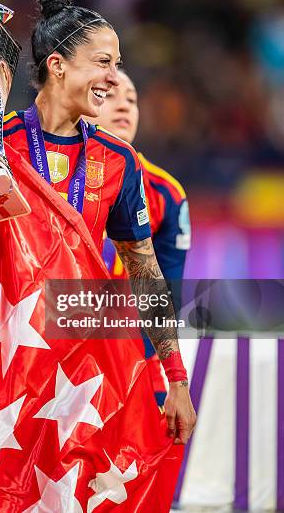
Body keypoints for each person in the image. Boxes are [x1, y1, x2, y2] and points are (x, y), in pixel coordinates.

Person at [0, 0, 196, 446]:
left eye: (116, 65)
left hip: (74, 372)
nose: (114, 79)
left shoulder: (119, 160)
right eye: (103, 62)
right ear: (57, 65)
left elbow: (144, 271)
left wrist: (175, 378)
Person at [88, 69, 191, 405]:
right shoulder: (47, 170)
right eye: (110, 95)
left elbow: (165, 297)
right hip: (54, 353)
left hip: (133, 364)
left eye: (131, 99)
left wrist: (124, 357)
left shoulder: (166, 194)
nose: (124, 106)